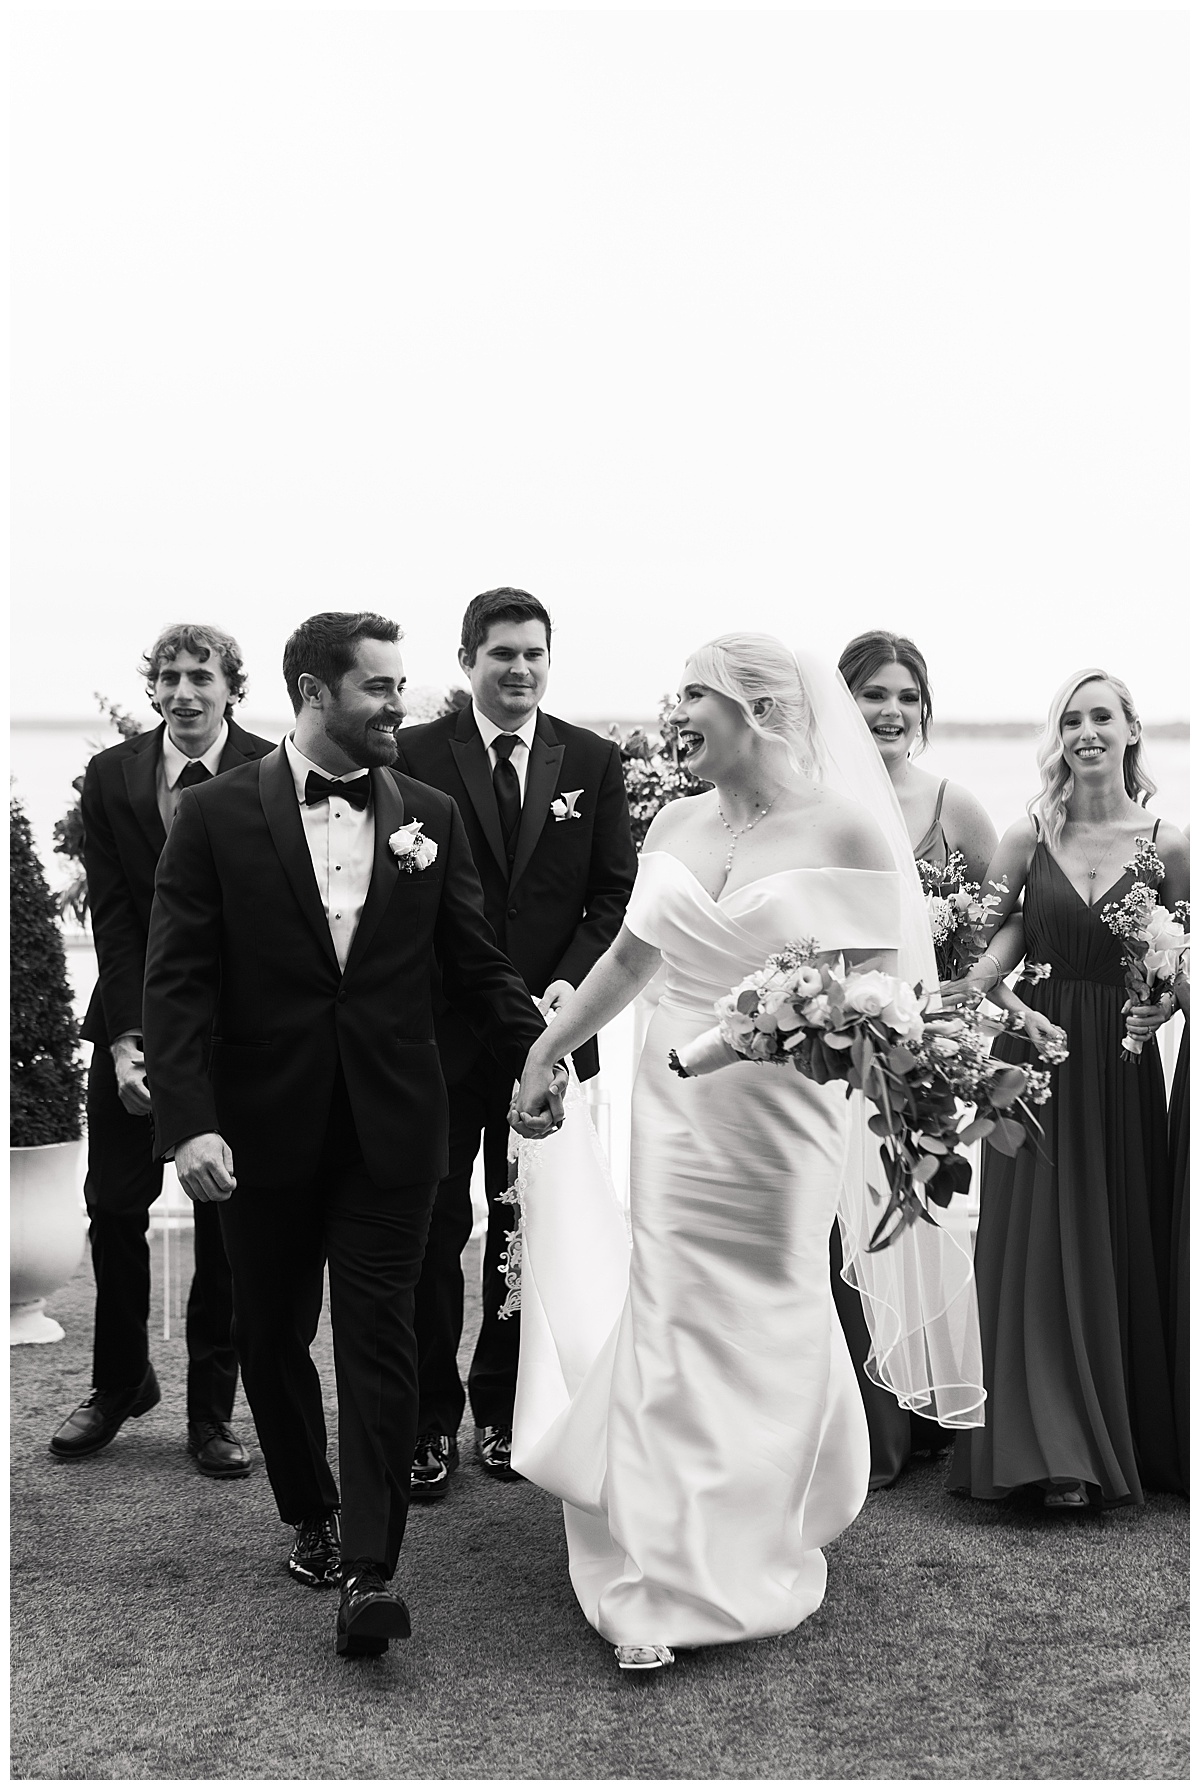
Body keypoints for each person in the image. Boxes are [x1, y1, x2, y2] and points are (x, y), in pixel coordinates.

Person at [508, 635, 983, 1671]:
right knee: (672, 1309)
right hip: (670, 1111)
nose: (676, 718)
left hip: (780, 1116)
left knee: (768, 1309)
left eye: (695, 700)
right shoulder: (676, 818)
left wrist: (759, 1028)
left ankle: (756, 1529)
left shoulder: (847, 826)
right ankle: (660, 1569)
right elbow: (633, 956)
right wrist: (550, 1045)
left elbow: (869, 999)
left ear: (759, 710)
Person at [142, 612, 549, 1658]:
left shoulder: (431, 815)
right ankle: (310, 1513)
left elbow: (475, 962)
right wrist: (189, 1124)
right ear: (313, 690)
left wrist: (554, 1053)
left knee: (380, 1338)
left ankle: (369, 1567)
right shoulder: (216, 814)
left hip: (392, 1128)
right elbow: (177, 981)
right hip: (258, 1132)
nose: (397, 704)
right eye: (377, 687)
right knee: (274, 1333)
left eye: (401, 684)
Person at [391, 588, 636, 1496]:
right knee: (428, 1224)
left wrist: (568, 993)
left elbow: (614, 896)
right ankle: (426, 1421)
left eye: (534, 653)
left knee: (522, 1222)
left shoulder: (594, 760)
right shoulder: (412, 754)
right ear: (468, 662)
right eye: (502, 654)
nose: (520, 669)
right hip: (433, 1034)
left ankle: (502, 1410)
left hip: (553, 1033)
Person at [944, 668, 1188, 1507]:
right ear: (1061, 737)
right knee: (1037, 1245)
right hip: (1033, 1055)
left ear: (1130, 732)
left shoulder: (1170, 843)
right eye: (1072, 720)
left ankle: (1118, 1435)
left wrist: (1157, 1005)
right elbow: (987, 952)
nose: (1087, 732)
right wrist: (1009, 1007)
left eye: (1102, 718)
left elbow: (1180, 963)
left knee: (1112, 1236)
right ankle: (1046, 1450)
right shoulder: (1026, 836)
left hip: (1119, 1063)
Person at [51, 624, 273, 1477]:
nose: (185, 692)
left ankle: (211, 1414)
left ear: (231, 689)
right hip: (131, 1019)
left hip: (231, 1038)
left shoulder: (268, 770)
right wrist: (125, 1038)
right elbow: (114, 915)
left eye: (201, 678)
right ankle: (117, 1385)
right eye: (170, 678)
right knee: (112, 1208)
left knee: (223, 1225)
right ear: (153, 689)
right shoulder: (112, 775)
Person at [834, 629, 999, 1487]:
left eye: (906, 697)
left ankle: (915, 1408)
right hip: (831, 1049)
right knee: (838, 1224)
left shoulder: (952, 808)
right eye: (873, 695)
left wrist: (962, 1014)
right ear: (841, 704)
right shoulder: (813, 802)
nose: (890, 712)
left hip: (923, 1048)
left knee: (911, 1217)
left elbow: (999, 927)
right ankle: (854, 1424)